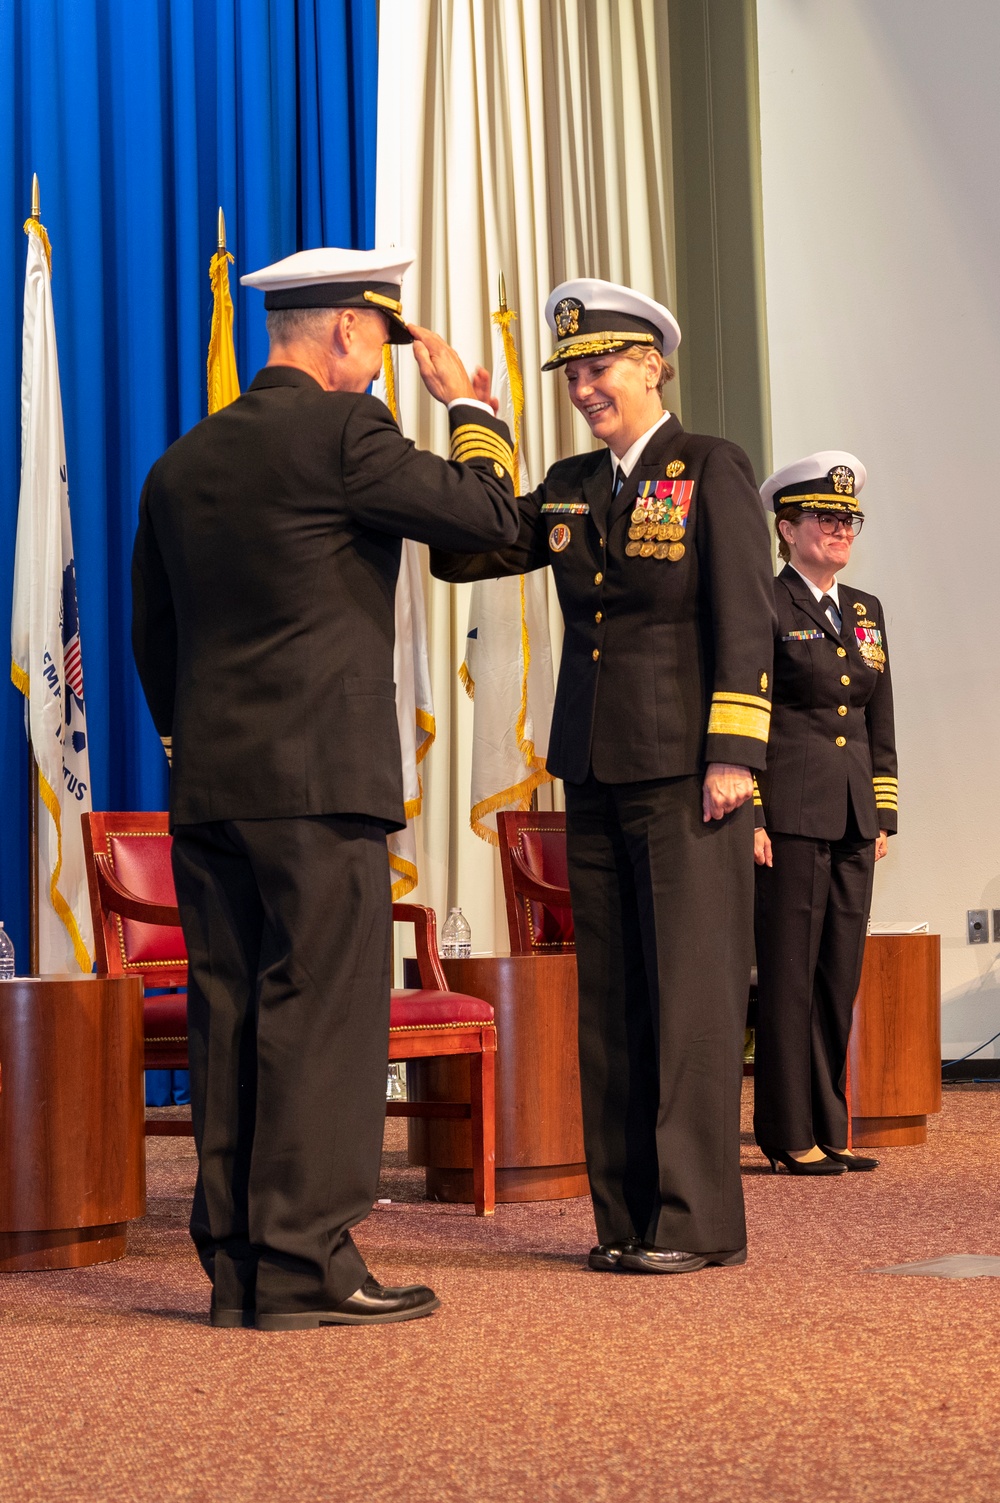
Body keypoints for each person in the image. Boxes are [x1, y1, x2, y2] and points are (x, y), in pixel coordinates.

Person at [131, 247, 518, 1330]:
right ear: (348, 330)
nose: (386, 367)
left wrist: (194, 740)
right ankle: (308, 1266)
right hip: (319, 782)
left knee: (231, 1013)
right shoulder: (348, 433)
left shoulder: (183, 461)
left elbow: (151, 635)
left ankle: (242, 1269)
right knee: (323, 1015)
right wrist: (473, 413)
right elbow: (486, 519)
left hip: (210, 782)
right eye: (383, 345)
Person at [431, 278, 775, 1274]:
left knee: (691, 996)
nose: (585, 385)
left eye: (602, 367)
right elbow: (474, 549)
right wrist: (472, 418)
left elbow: (742, 618)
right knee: (615, 1000)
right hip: (590, 766)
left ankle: (692, 1221)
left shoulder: (707, 466)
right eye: (573, 371)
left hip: (685, 775)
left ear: (653, 365)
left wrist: (733, 756)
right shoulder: (575, 480)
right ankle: (624, 1216)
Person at [753, 452, 897, 1175]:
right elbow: (745, 711)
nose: (842, 528)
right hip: (788, 815)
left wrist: (883, 815)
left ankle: (829, 1123)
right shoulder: (767, 601)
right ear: (788, 527)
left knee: (837, 974)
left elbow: (879, 719)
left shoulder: (864, 609)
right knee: (788, 977)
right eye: (826, 517)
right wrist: (750, 811)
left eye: (850, 518)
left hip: (851, 816)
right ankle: (786, 1131)